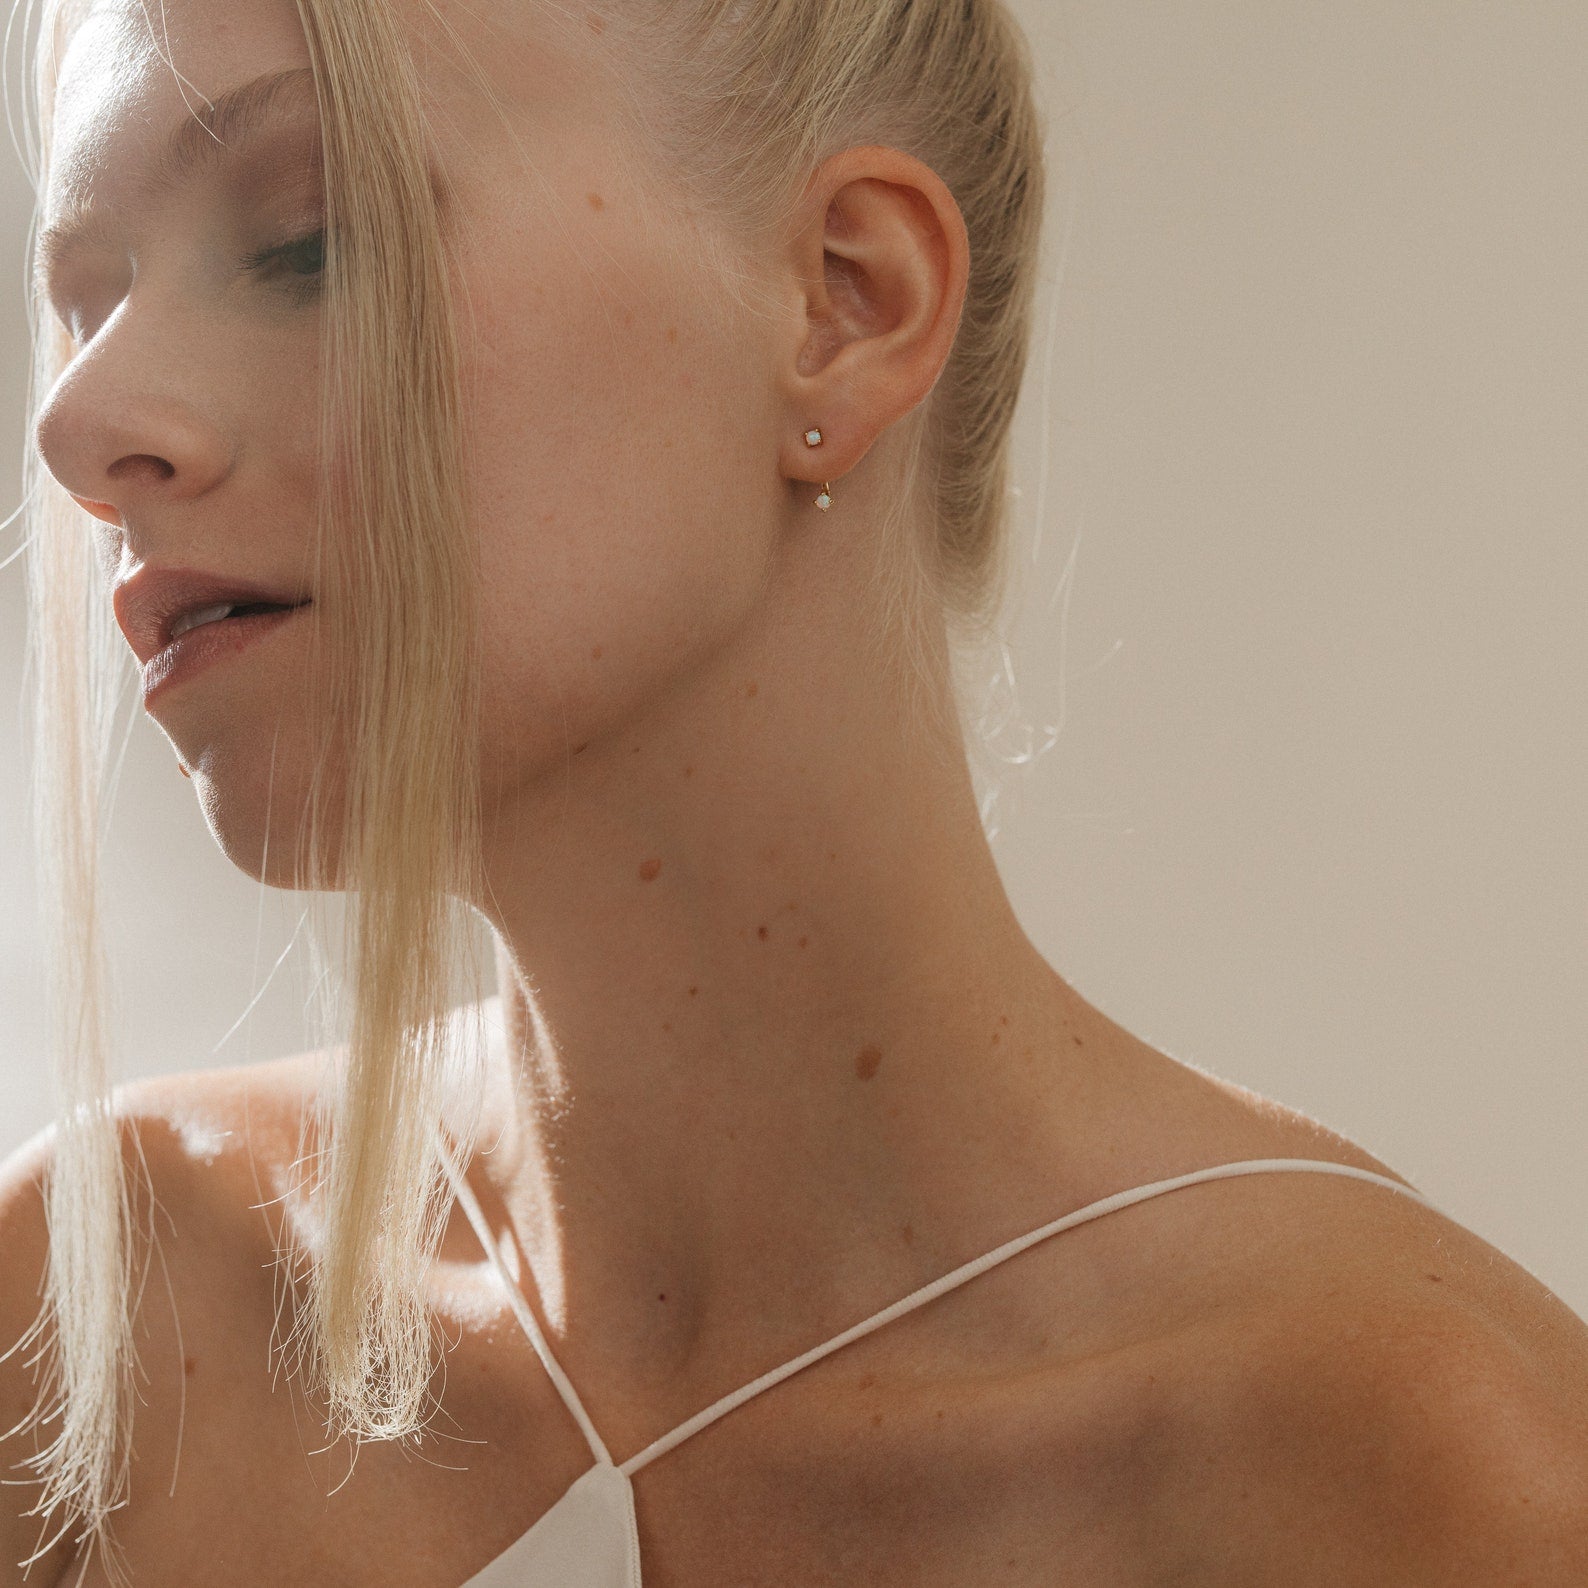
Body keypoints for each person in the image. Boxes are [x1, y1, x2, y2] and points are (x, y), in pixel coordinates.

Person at [4, 0, 1587, 1582]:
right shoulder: (102, 1323)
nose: (76, 425)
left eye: (306, 241)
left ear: (846, 302)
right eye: (90, 302)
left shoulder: (1408, 1468)